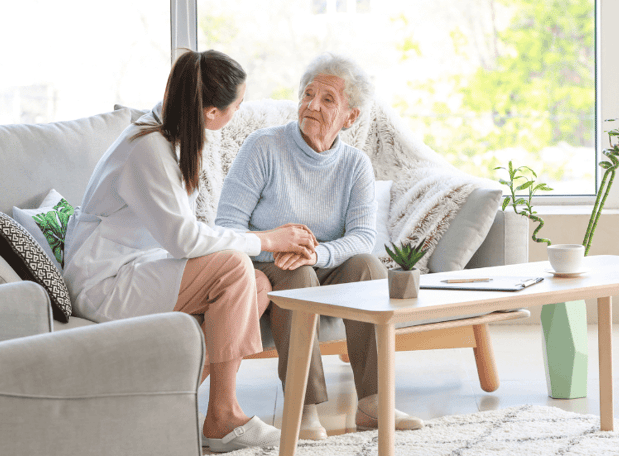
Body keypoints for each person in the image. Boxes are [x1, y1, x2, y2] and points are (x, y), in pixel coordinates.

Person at [62, 49, 317, 453]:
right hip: (104, 285)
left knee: (256, 284)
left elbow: (184, 234)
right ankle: (223, 417)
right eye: (238, 105)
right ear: (212, 113)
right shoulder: (146, 149)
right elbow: (183, 240)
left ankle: (159, 404)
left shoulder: (165, 138)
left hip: (134, 270)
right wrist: (266, 239)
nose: (238, 112)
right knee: (236, 268)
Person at [215, 52, 424, 440]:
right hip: (265, 262)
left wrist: (318, 253)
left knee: (367, 267)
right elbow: (227, 227)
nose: (311, 104)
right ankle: (304, 407)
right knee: (298, 273)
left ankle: (373, 401)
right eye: (307, 94)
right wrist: (279, 248)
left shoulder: (355, 165)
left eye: (328, 99)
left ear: (351, 116)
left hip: (321, 261)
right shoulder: (263, 147)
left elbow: (363, 237)